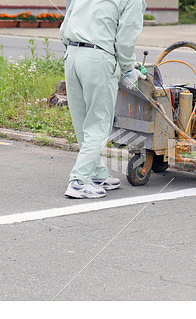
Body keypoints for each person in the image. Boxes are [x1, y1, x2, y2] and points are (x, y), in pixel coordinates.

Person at [60, 0, 147, 199]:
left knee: (82, 121)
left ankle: (97, 173)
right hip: (98, 59)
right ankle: (79, 181)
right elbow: (125, 39)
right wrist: (127, 69)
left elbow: (67, 22)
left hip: (72, 54)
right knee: (98, 124)